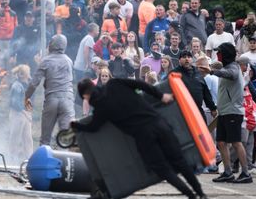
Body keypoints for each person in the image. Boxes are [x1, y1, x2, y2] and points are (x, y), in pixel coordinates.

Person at [72, 78, 207, 199]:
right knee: (180, 161)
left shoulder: (101, 107)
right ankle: (200, 193)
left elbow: (93, 127)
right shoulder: (115, 83)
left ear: (86, 95)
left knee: (163, 170)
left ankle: (190, 195)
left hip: (143, 136)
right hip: (159, 124)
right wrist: (161, 96)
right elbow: (141, 85)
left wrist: (75, 125)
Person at [204, 42, 253, 183]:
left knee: (236, 142)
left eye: (219, 52)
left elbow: (229, 74)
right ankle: (227, 172)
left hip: (233, 112)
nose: (218, 55)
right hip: (224, 111)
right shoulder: (227, 67)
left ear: (225, 54)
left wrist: (212, 71)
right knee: (220, 142)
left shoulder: (234, 68)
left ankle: (246, 173)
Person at [24, 35, 75, 146]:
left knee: (45, 139)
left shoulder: (46, 61)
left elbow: (34, 83)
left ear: (51, 45)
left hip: (51, 100)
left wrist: (26, 96)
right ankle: (68, 162)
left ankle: (43, 161)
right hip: (67, 99)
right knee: (67, 138)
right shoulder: (69, 61)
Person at [171, 50, 217, 122]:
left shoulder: (197, 72)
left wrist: (212, 108)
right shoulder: (174, 73)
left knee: (202, 131)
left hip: (197, 110)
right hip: (181, 112)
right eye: (184, 57)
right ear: (179, 60)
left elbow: (205, 92)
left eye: (189, 57)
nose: (187, 59)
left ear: (192, 59)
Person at [7, 64, 33, 165]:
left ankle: (29, 159)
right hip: (17, 115)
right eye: (28, 74)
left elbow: (21, 100)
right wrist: (25, 114)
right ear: (23, 75)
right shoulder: (16, 86)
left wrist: (27, 101)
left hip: (23, 115)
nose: (29, 76)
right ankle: (12, 160)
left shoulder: (21, 85)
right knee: (15, 138)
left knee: (27, 138)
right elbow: (15, 104)